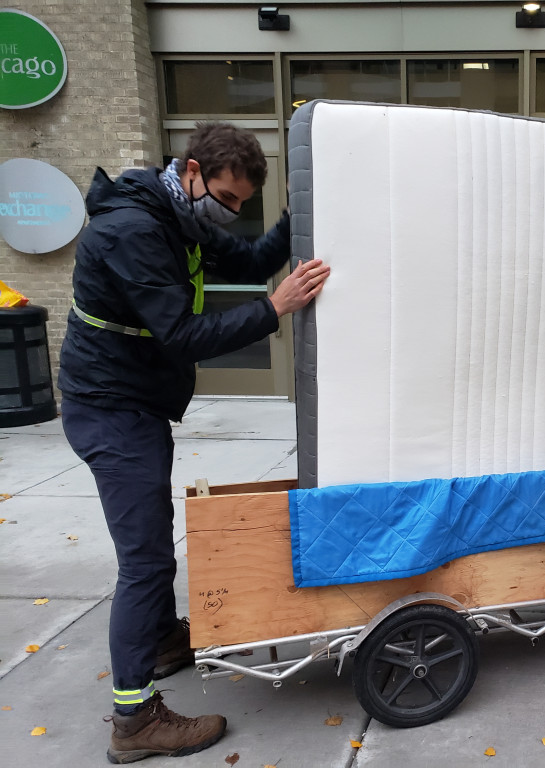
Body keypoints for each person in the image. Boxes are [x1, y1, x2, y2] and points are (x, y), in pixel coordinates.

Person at [57, 122, 329, 764]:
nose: (229, 213)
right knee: (146, 561)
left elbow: (256, 258)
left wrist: (308, 207)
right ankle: (135, 720)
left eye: (240, 204)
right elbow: (181, 334)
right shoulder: (132, 231)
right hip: (110, 409)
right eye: (226, 199)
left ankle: (159, 642)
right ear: (192, 170)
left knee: (153, 543)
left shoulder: (180, 217)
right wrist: (274, 308)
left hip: (136, 404)